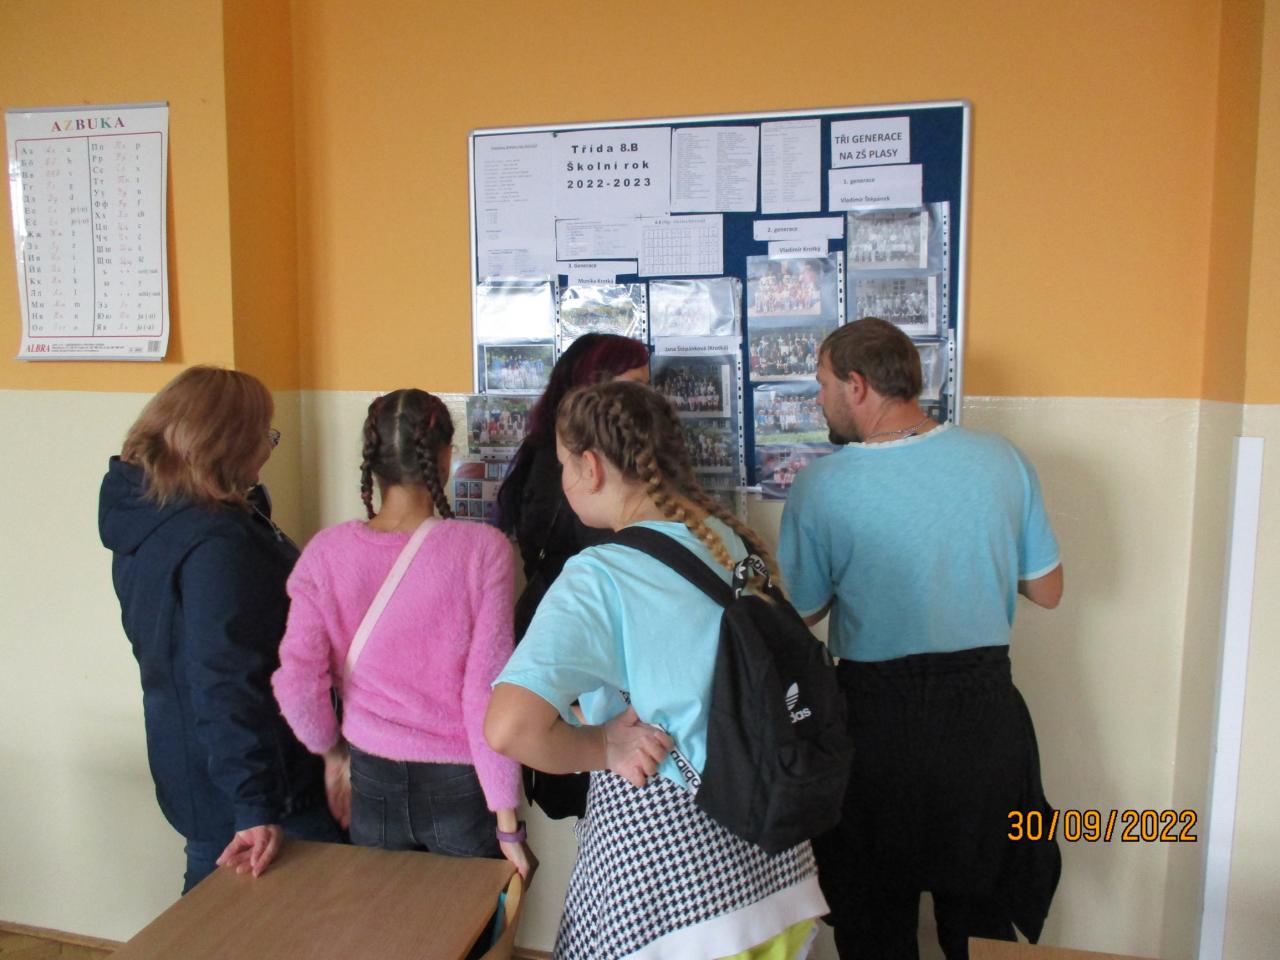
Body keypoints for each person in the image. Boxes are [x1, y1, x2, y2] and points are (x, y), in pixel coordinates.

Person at [485, 380, 828, 960]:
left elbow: (508, 727)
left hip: (667, 897)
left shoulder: (600, 575)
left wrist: (602, 745)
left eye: (564, 464)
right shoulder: (729, 541)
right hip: (773, 869)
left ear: (591, 467)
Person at [777, 318, 1064, 959]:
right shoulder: (1002, 459)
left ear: (856, 385)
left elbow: (805, 613)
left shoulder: (822, 485)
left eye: (822, 384)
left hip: (875, 722)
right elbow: (1047, 589)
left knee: (874, 918)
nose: (819, 399)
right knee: (982, 919)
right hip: (983, 717)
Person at [271, 389, 535, 886]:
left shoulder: (326, 553)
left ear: (371, 463)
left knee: (387, 920)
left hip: (372, 778)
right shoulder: (483, 550)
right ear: (445, 457)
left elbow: (296, 681)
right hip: (460, 783)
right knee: (464, 923)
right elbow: (486, 691)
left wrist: (331, 755)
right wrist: (506, 819)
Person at [98, 366, 342, 894]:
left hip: (201, 764)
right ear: (224, 443)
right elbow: (222, 677)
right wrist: (252, 802)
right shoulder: (213, 543)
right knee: (276, 912)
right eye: (263, 434)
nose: (269, 448)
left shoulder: (153, 514)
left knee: (219, 907)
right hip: (253, 781)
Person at [495, 333, 649, 819]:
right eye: (632, 388)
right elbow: (509, 728)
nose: (646, 403)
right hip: (579, 671)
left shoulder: (555, 459)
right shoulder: (567, 481)